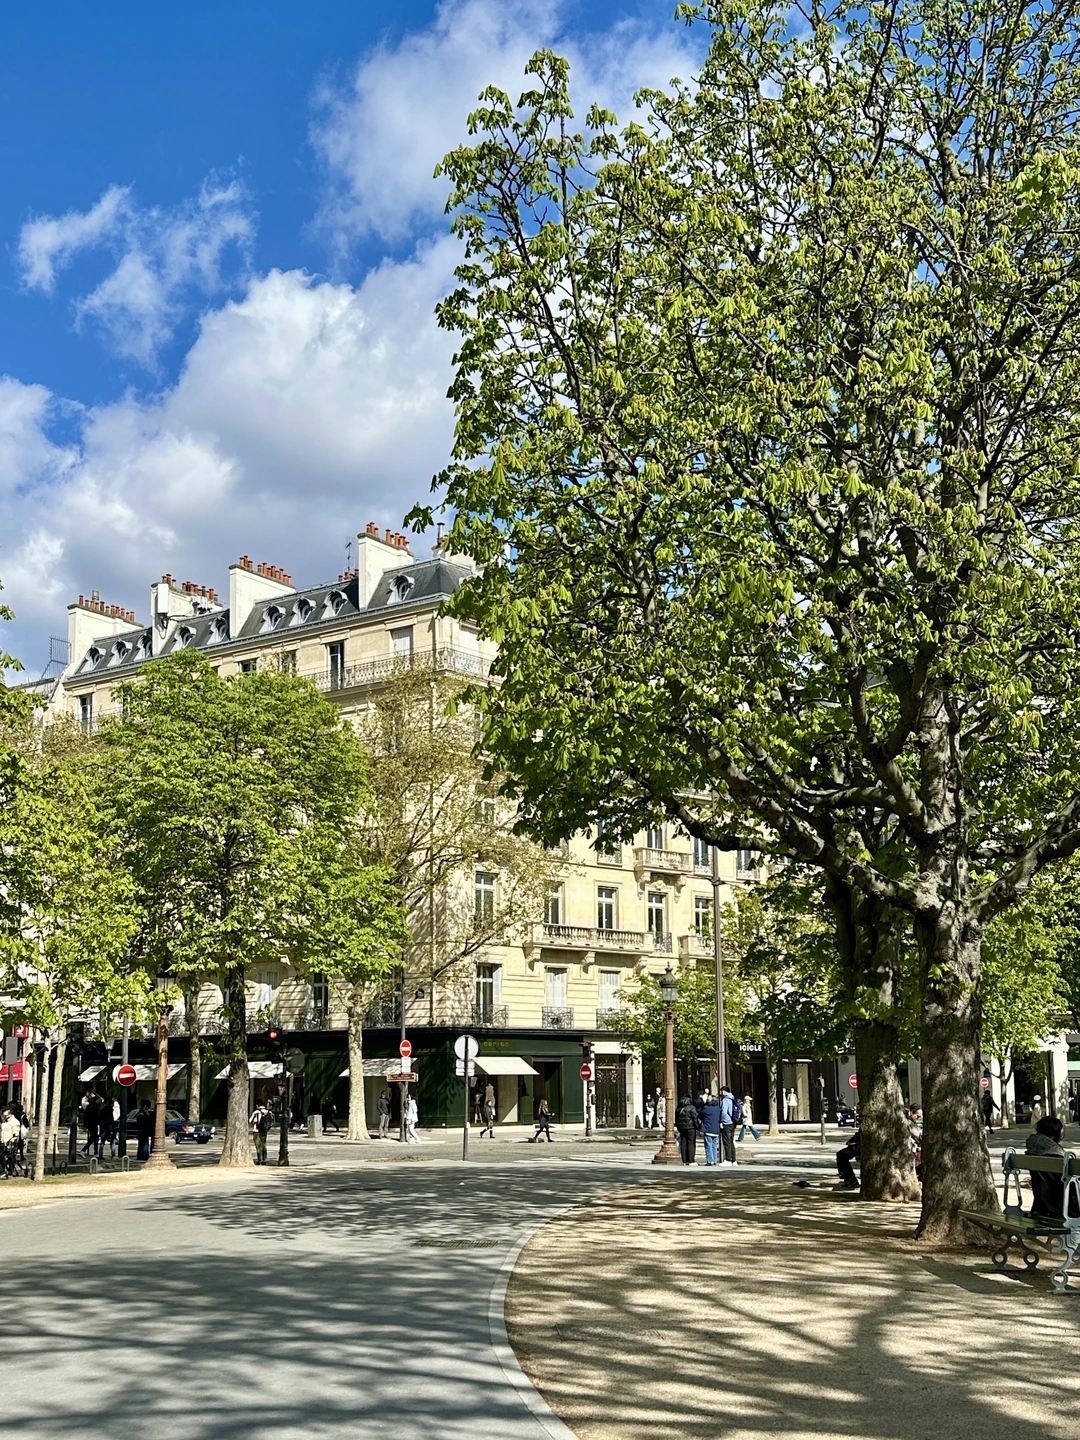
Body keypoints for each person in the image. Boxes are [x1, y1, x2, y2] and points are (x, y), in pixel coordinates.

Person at [1025, 1115, 1075, 1217]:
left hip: (1041, 1208)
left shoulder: (1033, 1151)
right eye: (1061, 1132)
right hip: (1064, 1209)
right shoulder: (1058, 1156)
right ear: (1053, 1135)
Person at [696, 1092, 721, 1165]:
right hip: (716, 1129)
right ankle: (714, 1160)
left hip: (708, 1129)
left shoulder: (707, 1108)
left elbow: (700, 1115)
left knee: (708, 1145)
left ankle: (710, 1160)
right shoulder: (718, 1108)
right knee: (714, 1145)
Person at [249, 1099, 272, 1164]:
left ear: (257, 1105)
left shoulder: (256, 1112)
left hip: (256, 1130)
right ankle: (265, 1159)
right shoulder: (268, 1112)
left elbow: (250, 1121)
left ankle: (260, 1160)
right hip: (264, 1130)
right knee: (263, 1145)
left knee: (258, 1146)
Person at [719, 1086, 738, 1164]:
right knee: (731, 1141)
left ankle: (728, 1159)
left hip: (726, 1122)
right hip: (733, 1122)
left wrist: (721, 1121)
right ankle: (734, 1160)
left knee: (726, 1142)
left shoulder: (725, 1100)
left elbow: (724, 1112)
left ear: (724, 1091)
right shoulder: (732, 1098)